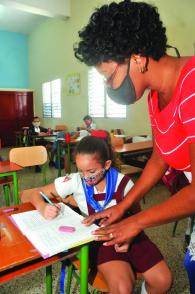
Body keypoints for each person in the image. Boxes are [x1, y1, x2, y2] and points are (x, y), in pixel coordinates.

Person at [74, 0, 195, 292]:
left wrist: (136, 221)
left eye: (108, 76)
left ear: (137, 57)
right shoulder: (155, 96)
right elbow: (160, 156)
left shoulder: (191, 85)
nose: (109, 87)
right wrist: (123, 207)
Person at [27, 134, 172, 294]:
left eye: (91, 171)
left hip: (130, 233)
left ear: (107, 164)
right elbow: (36, 193)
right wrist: (42, 206)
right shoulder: (75, 181)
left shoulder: (124, 182)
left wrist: (130, 236)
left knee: (163, 281)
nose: (86, 177)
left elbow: (137, 214)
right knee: (123, 288)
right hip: (99, 239)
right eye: (81, 170)